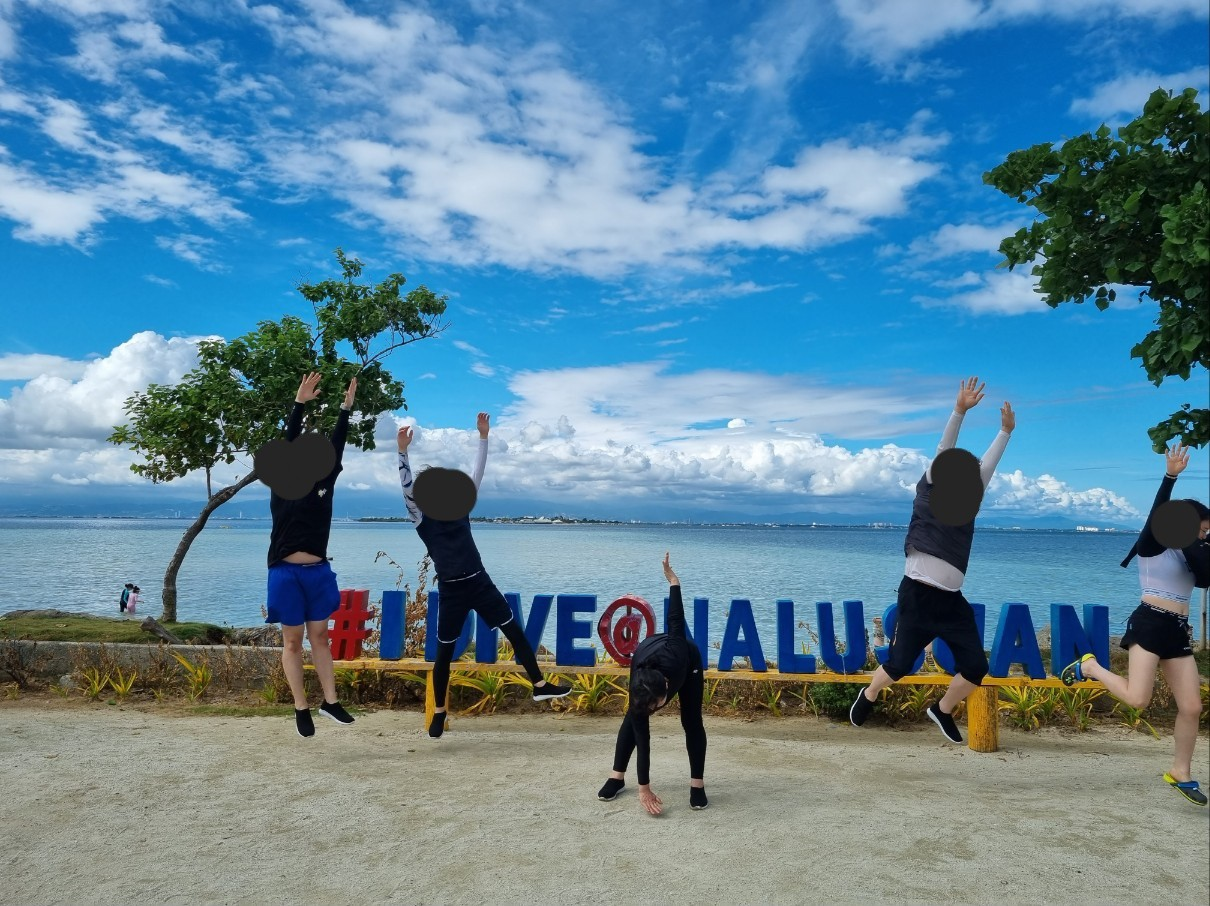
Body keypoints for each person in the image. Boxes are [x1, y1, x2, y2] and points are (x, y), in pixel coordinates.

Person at [850, 376, 1015, 743]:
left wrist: (1005, 433)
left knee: (976, 667)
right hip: (918, 596)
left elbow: (987, 467)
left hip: (952, 602)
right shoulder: (927, 492)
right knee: (899, 664)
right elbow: (944, 447)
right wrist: (959, 411)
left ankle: (941, 709)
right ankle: (871, 693)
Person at [397, 413, 571, 739]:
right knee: (444, 654)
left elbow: (477, 473)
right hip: (452, 590)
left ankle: (540, 685)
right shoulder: (420, 518)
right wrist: (402, 452)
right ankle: (438, 713)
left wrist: (483, 437)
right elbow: (406, 488)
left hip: (480, 581)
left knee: (515, 632)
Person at [1061, 443, 1209, 806]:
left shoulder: (1197, 552)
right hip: (1149, 623)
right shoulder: (1153, 545)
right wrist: (1170, 477)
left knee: (1191, 707)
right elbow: (1156, 517)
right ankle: (1090, 666)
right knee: (1138, 699)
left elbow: (1205, 577)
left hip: (1177, 630)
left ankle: (1180, 771)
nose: (1205, 536)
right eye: (1202, 529)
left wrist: (1200, 543)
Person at [264, 372, 358, 739]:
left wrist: (345, 409)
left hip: (318, 571)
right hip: (285, 573)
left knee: (320, 638)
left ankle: (330, 702)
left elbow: (338, 444)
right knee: (292, 641)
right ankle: (301, 707)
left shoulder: (324, 485)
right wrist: (299, 403)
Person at [598, 552, 708, 815]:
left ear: (666, 693)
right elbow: (643, 738)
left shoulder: (677, 651)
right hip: (646, 657)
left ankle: (697, 785)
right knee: (633, 722)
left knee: (691, 720)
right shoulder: (639, 685)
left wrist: (673, 581)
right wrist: (643, 787)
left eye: (656, 707)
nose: (653, 711)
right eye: (649, 708)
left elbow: (675, 619)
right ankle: (617, 777)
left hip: (687, 664)